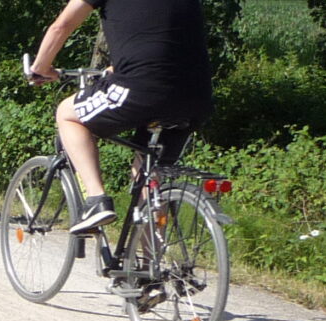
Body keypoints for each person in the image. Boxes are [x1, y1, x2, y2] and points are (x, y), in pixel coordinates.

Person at [28, 0, 214, 235]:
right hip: (196, 95)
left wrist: (40, 68)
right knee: (149, 175)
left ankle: (96, 200)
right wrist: (119, 68)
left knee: (67, 114)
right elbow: (163, 40)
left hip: (143, 90)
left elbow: (61, 26)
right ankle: (147, 266)